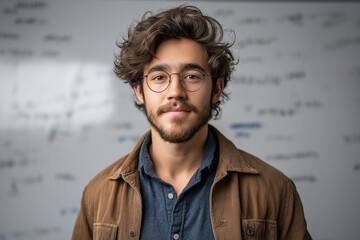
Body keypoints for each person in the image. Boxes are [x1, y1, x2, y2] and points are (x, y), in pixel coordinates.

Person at [72, 5, 312, 240]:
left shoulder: (275, 190)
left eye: (191, 76)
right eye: (159, 77)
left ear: (216, 89)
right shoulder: (97, 196)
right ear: (139, 91)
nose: (175, 92)